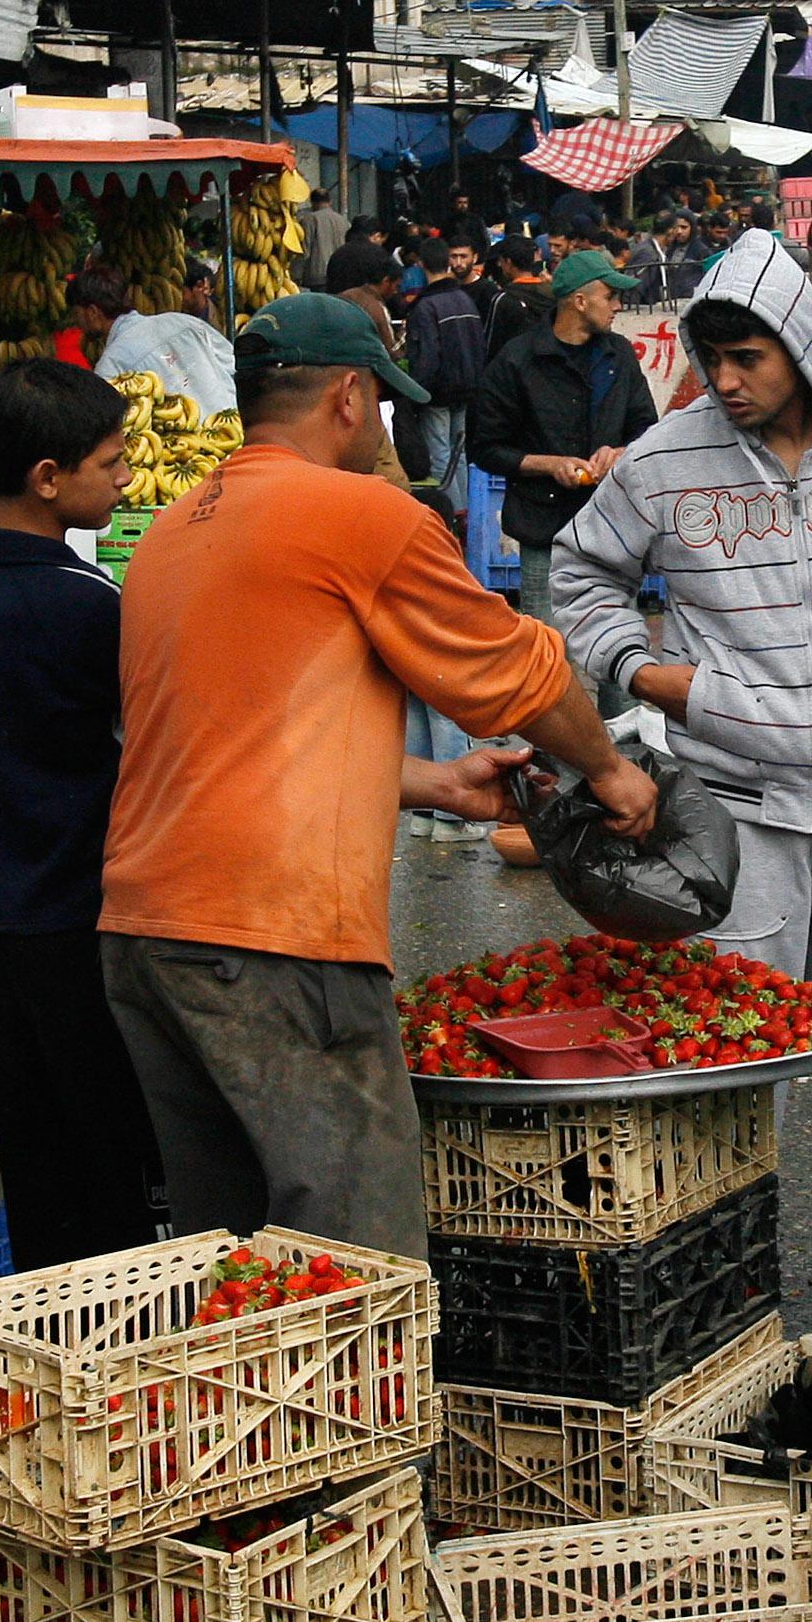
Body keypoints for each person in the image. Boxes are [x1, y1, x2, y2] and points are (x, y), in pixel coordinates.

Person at [99, 295, 657, 1253]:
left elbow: (224, 741)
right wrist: (610, 768)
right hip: (273, 936)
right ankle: (365, 1409)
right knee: (354, 1254)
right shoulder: (361, 513)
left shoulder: (171, 531)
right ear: (351, 398)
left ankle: (242, 1408)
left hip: (145, 933)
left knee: (232, 1255)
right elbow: (524, 674)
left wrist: (433, 784)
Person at [553, 232, 812, 1285]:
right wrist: (649, 676)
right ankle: (713, 1296)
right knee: (726, 1071)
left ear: (801, 344)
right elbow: (582, 574)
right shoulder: (665, 460)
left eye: (750, 357)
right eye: (714, 361)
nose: (728, 381)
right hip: (740, 818)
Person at [0, 361, 159, 1271]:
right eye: (110, 464)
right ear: (47, 478)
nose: (125, 481)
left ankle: (54, 1328)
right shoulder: (77, 602)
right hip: (77, 911)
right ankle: (117, 1340)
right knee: (106, 1156)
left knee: (40, 1155)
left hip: (3, 911)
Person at [467, 248, 656, 616]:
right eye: (610, 296)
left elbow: (646, 427)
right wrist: (550, 465)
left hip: (612, 527)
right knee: (550, 654)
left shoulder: (619, 355)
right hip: (544, 531)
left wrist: (618, 452)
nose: (618, 305)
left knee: (619, 652)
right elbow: (485, 447)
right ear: (580, 302)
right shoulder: (517, 361)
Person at [399, 237, 491, 489]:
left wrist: (417, 393)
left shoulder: (425, 306)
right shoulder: (464, 298)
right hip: (467, 387)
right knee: (458, 454)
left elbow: (426, 357)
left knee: (439, 454)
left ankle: (449, 514)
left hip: (438, 393)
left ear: (420, 264)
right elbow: (478, 345)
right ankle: (465, 514)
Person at [96, 275, 238, 420]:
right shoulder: (183, 322)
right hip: (231, 427)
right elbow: (233, 363)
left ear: (92, 312)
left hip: (176, 441)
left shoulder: (110, 365)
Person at [56, 261, 128, 370]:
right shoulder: (159, 323)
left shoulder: (110, 366)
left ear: (92, 312)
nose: (76, 322)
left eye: (76, 314)